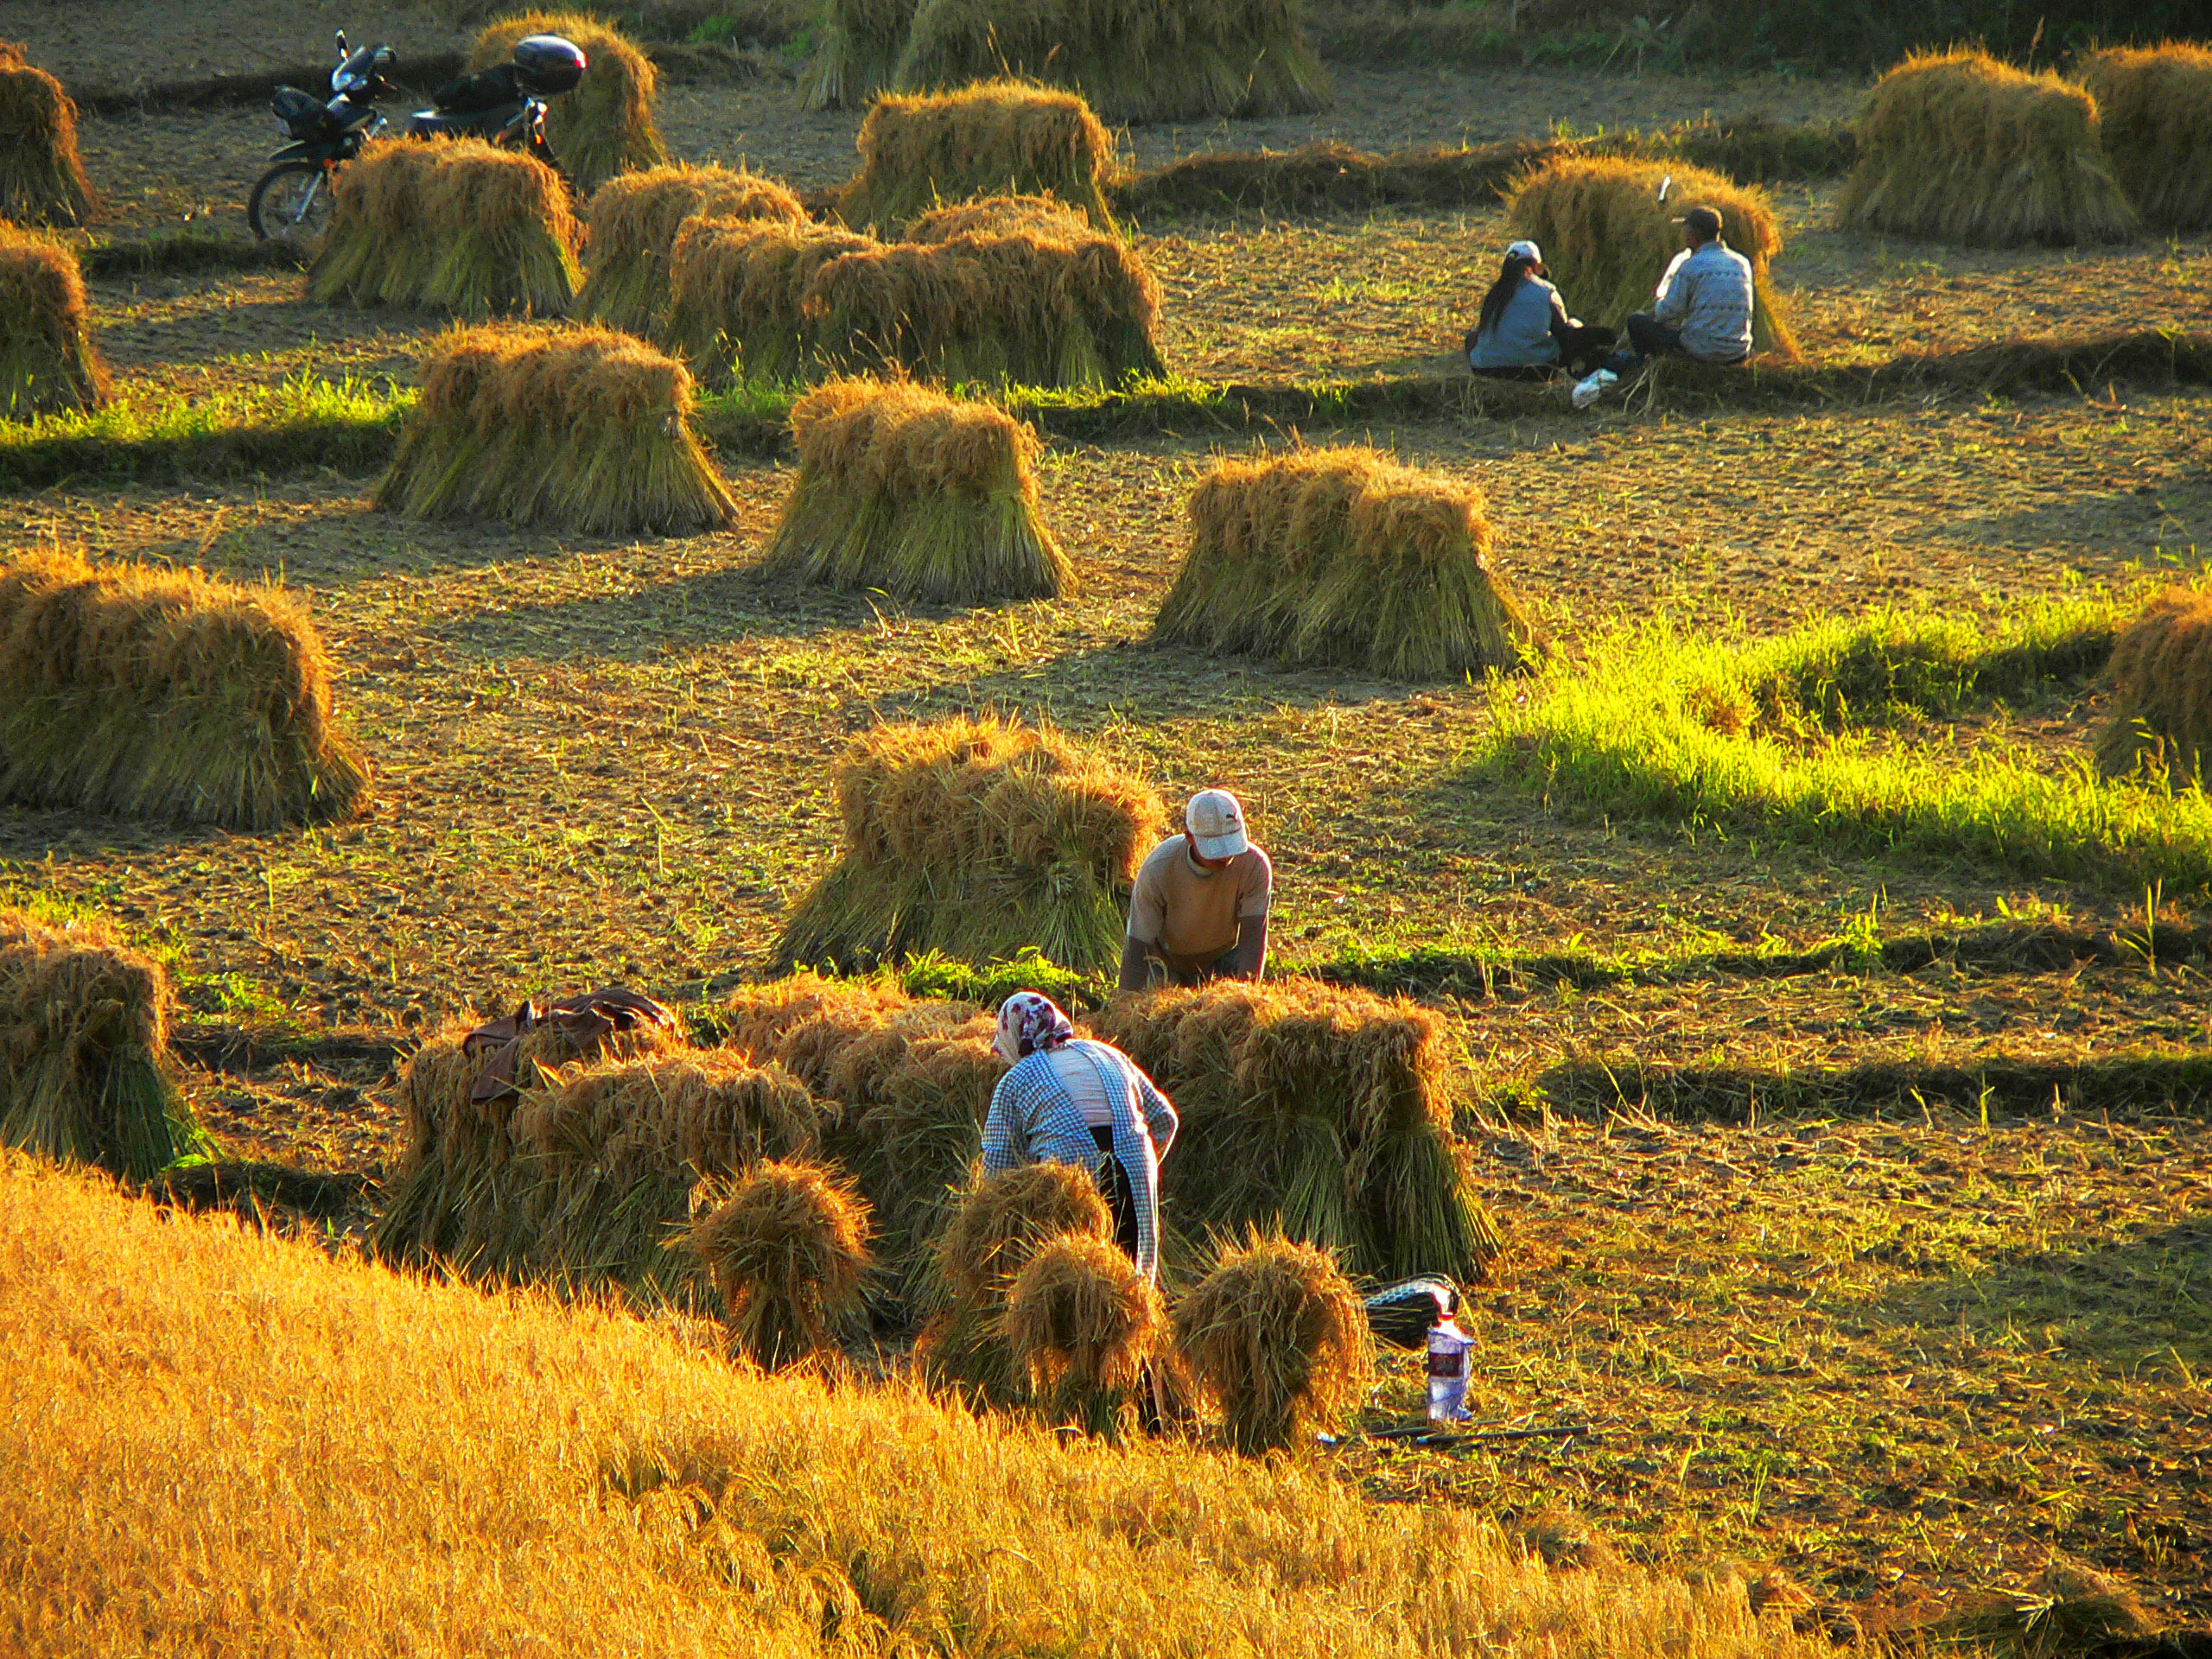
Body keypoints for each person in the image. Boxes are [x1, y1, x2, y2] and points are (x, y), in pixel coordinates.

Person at [982, 991, 1179, 1280]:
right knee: (1132, 1282)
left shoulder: (1017, 1078)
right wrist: (1139, 1164)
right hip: (1135, 1163)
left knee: (1074, 1282)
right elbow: (1165, 1119)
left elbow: (998, 1166)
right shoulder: (1109, 1053)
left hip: (1071, 1178)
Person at [1118, 788, 1272, 993]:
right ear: (1190, 837)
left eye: (1230, 843)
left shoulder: (1254, 866)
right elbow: (1138, 946)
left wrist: (1246, 999)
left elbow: (1253, 936)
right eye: (1216, 847)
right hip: (1166, 963)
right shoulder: (1159, 868)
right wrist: (1125, 1005)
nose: (1225, 855)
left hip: (1222, 960)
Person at [1464, 239, 1617, 379]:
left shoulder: (1494, 294)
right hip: (1536, 371)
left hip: (1486, 370)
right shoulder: (1546, 291)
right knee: (1573, 325)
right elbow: (1564, 334)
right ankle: (1589, 371)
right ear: (1536, 266)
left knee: (1472, 337)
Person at [1623, 205, 1755, 366]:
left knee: (1636, 322)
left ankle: (1645, 367)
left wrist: (1657, 304)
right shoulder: (1743, 262)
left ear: (1693, 237)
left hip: (1703, 350)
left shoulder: (1691, 265)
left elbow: (1668, 312)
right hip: (1738, 351)